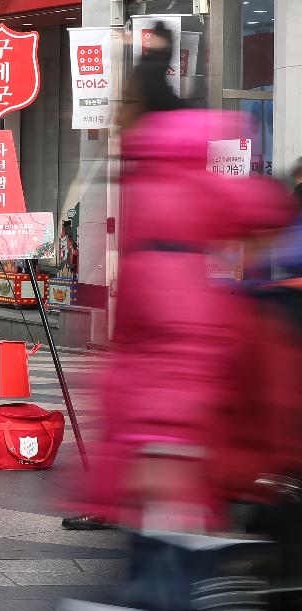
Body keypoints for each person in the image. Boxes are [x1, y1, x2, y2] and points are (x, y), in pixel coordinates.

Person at [61, 23, 296, 608]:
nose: (113, 116)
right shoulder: (168, 167)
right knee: (164, 547)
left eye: (122, 102)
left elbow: (171, 329)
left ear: (140, 106)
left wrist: (157, 434)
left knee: (165, 555)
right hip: (169, 407)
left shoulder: (162, 175)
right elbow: (267, 209)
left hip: (169, 413)